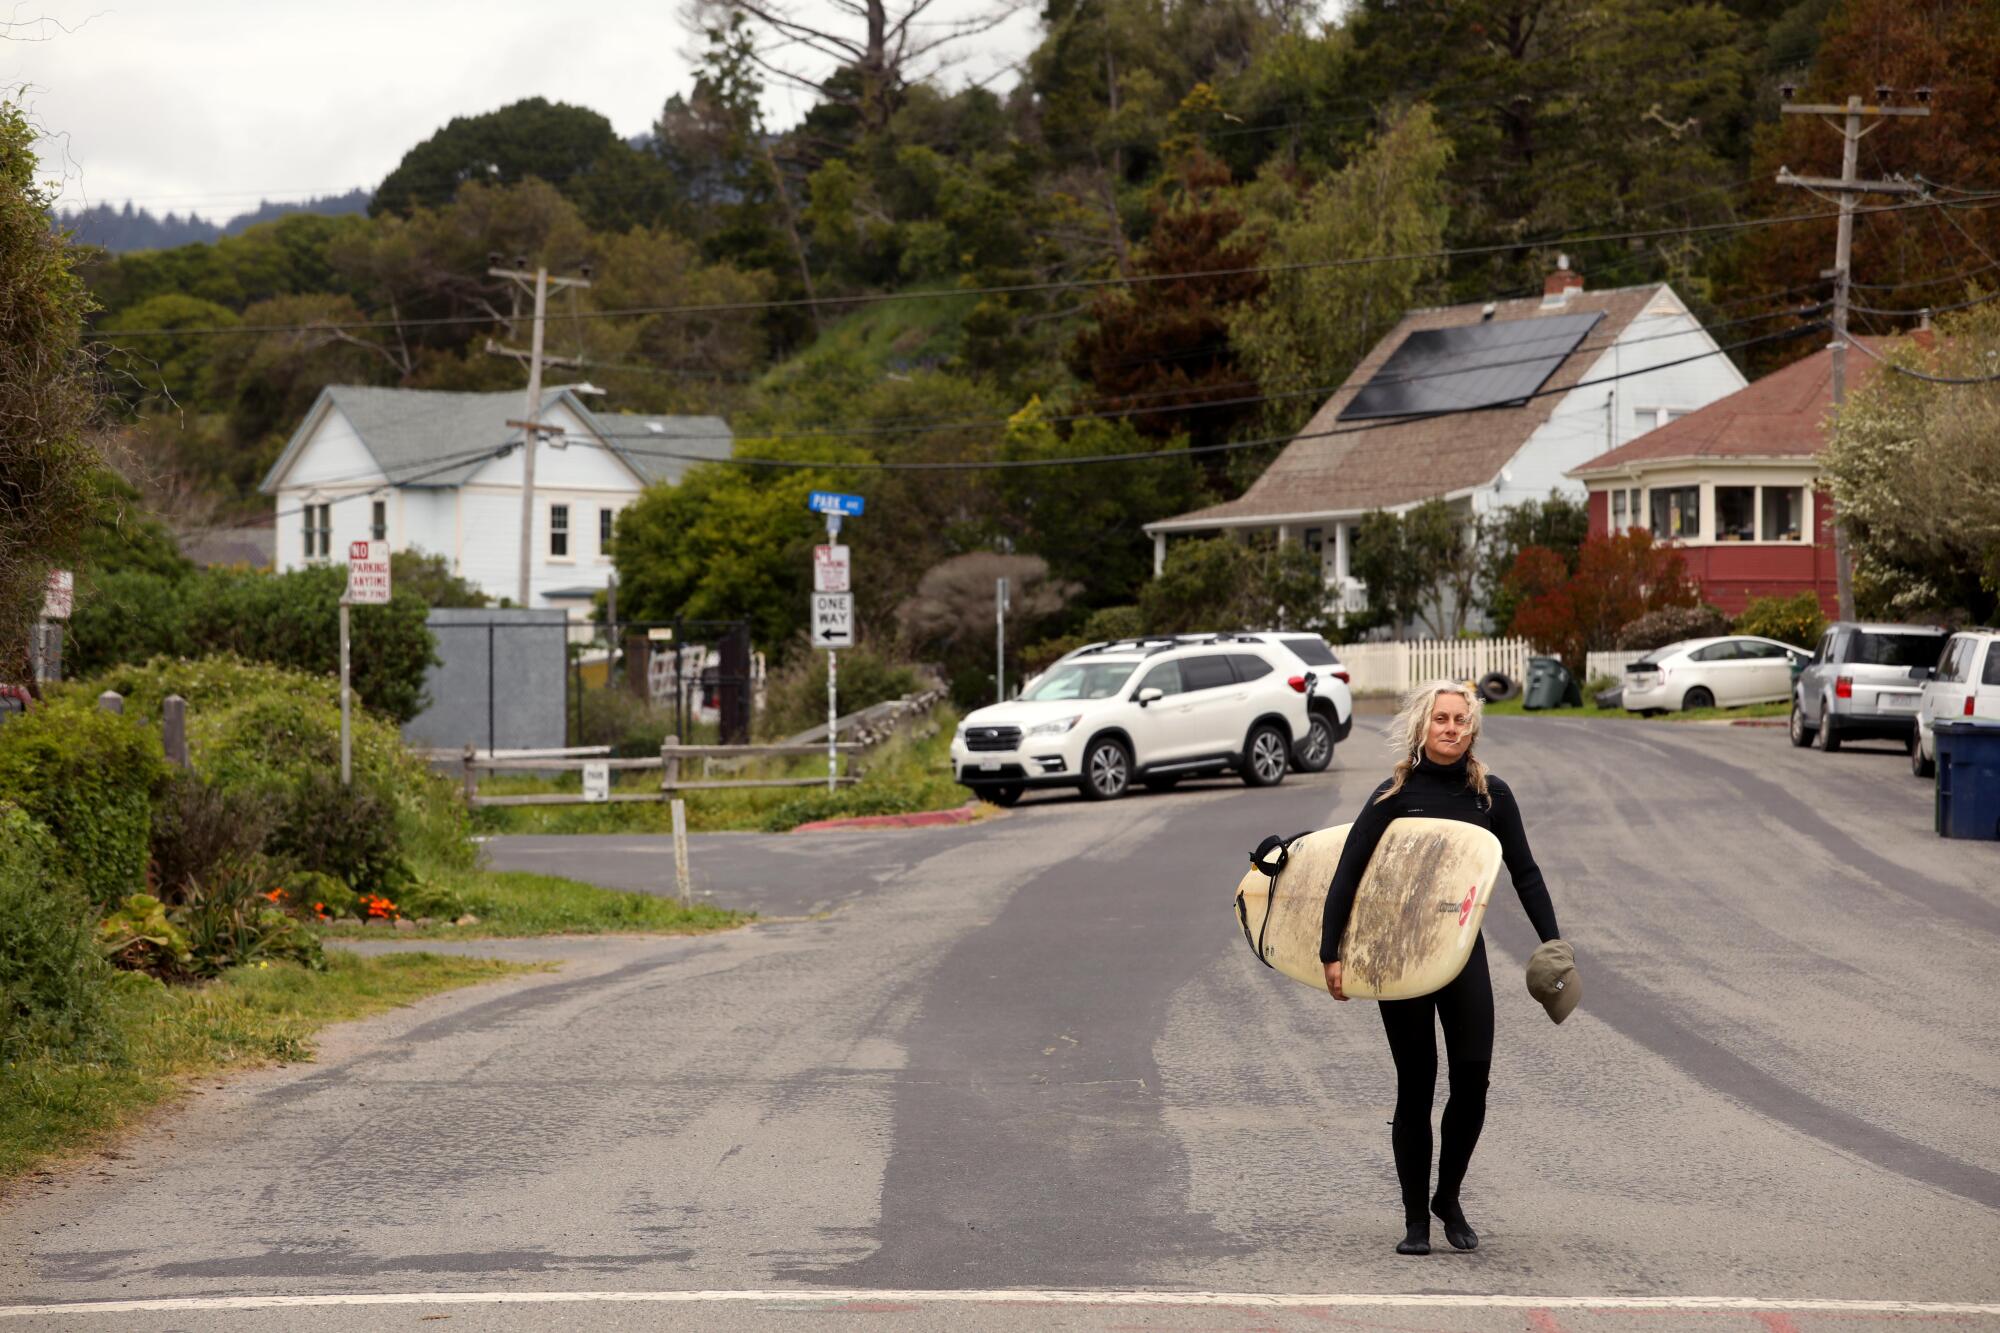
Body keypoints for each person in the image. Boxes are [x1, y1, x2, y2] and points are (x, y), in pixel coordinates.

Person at [1319, 679, 1561, 1256]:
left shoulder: (1491, 797)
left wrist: (1553, 942)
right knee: (1417, 1084)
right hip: (1400, 959)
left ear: (1471, 729)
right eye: (1440, 719)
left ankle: (1447, 1196)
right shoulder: (1393, 795)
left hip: (1460, 955)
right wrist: (1332, 951)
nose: (1450, 728)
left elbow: (1525, 872)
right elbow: (1347, 873)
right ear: (1422, 727)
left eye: (1460, 720)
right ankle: (1414, 1221)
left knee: (1472, 1082)